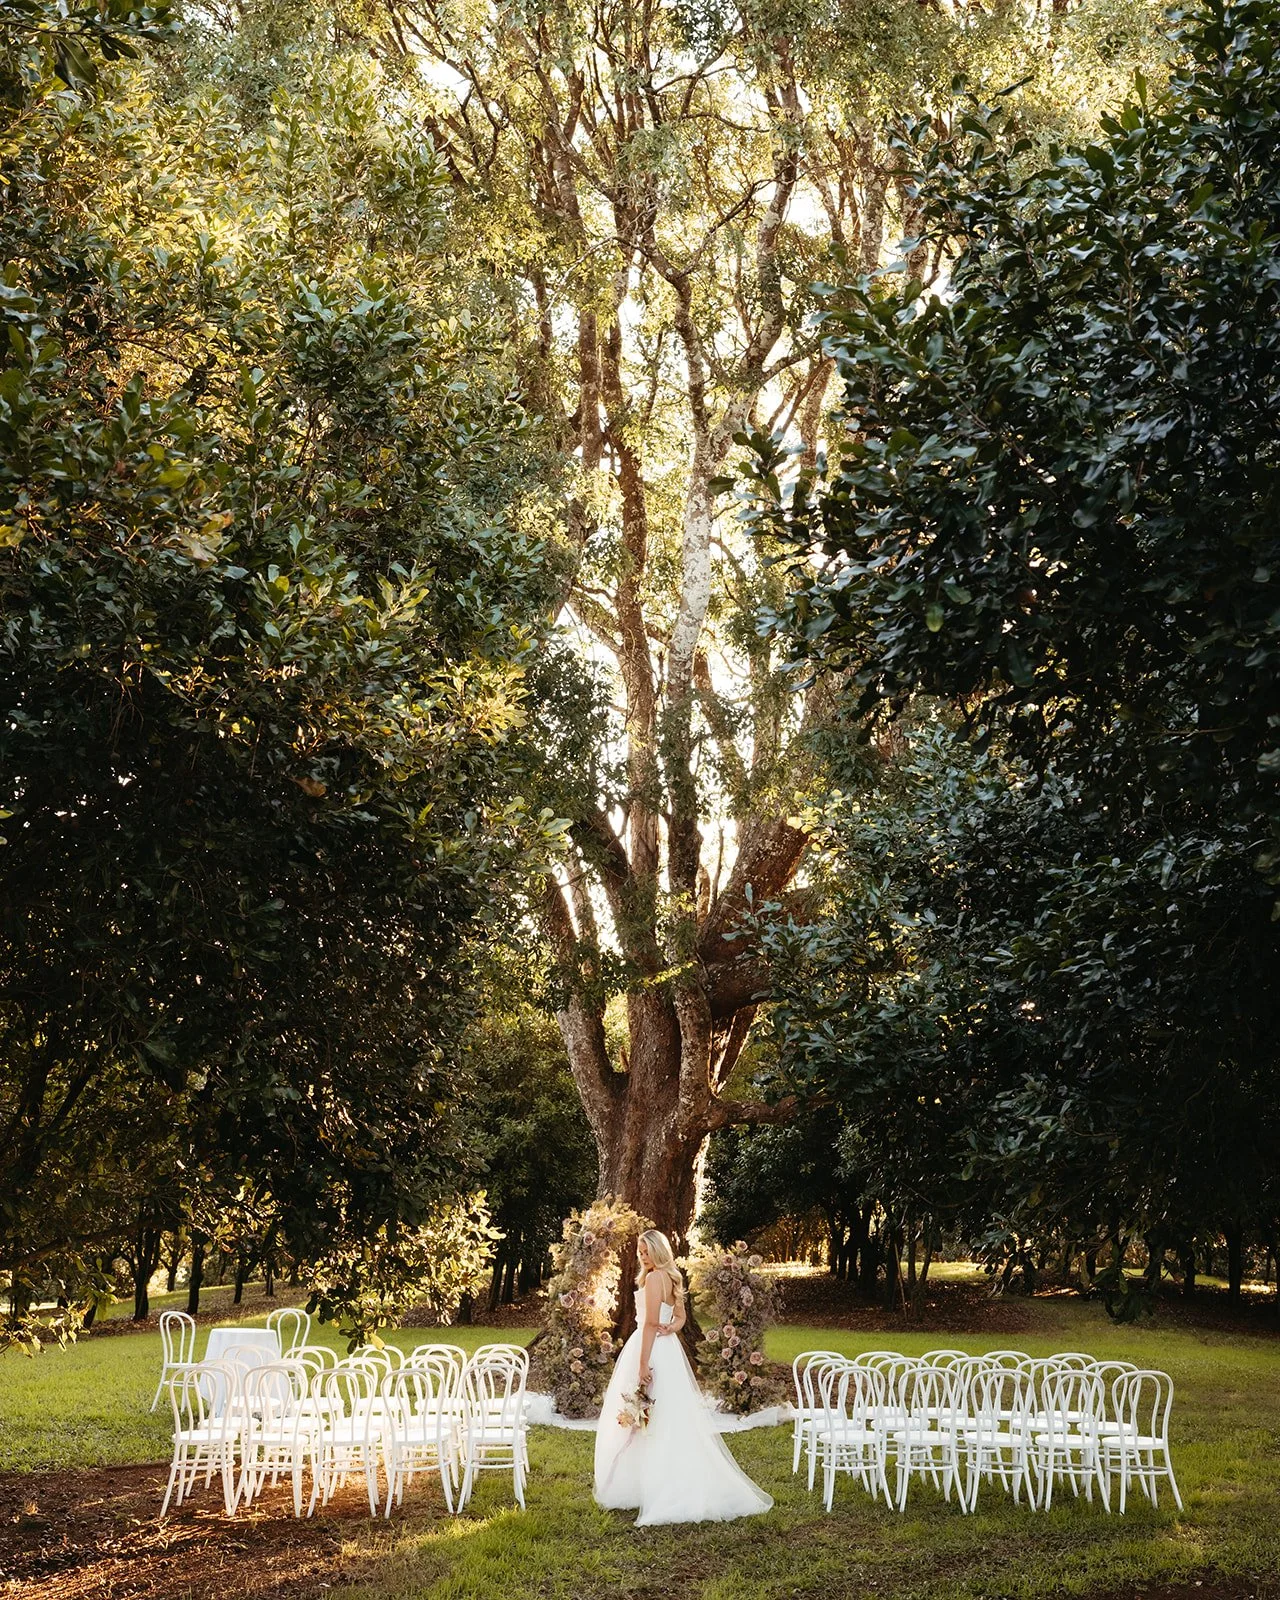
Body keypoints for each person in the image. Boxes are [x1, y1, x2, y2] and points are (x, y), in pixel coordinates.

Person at [593, 1228, 773, 1526]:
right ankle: (654, 1480)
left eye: (646, 1251)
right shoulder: (672, 1277)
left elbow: (650, 1323)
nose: (642, 1255)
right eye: (639, 1251)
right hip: (668, 1351)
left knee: (646, 1415)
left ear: (658, 1251)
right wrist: (672, 1329)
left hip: (650, 1350)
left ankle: (655, 1485)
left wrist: (642, 1364)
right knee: (663, 1416)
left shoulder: (653, 1278)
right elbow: (680, 1318)